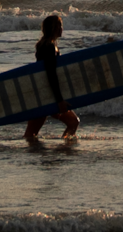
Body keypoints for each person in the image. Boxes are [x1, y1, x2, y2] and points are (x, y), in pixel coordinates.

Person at [23, 12, 81, 145]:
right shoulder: (49, 47)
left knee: (31, 133)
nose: (62, 28)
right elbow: (51, 74)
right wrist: (59, 100)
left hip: (42, 93)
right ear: (54, 28)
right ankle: (64, 149)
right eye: (60, 25)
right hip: (47, 96)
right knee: (73, 122)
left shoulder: (43, 45)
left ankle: (35, 152)